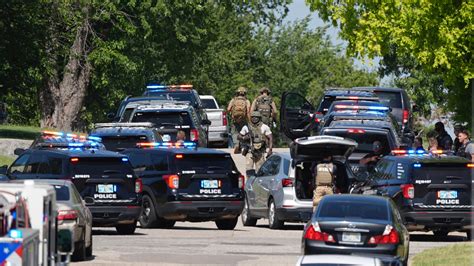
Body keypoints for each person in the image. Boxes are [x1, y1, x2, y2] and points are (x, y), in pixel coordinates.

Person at [227, 87, 251, 151]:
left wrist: (231, 113)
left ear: (237, 93)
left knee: (234, 133)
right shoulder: (247, 101)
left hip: (235, 119)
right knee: (244, 132)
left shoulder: (233, 100)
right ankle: (243, 146)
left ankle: (236, 144)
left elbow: (228, 109)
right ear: (245, 93)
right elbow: (248, 111)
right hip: (243, 119)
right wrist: (250, 120)